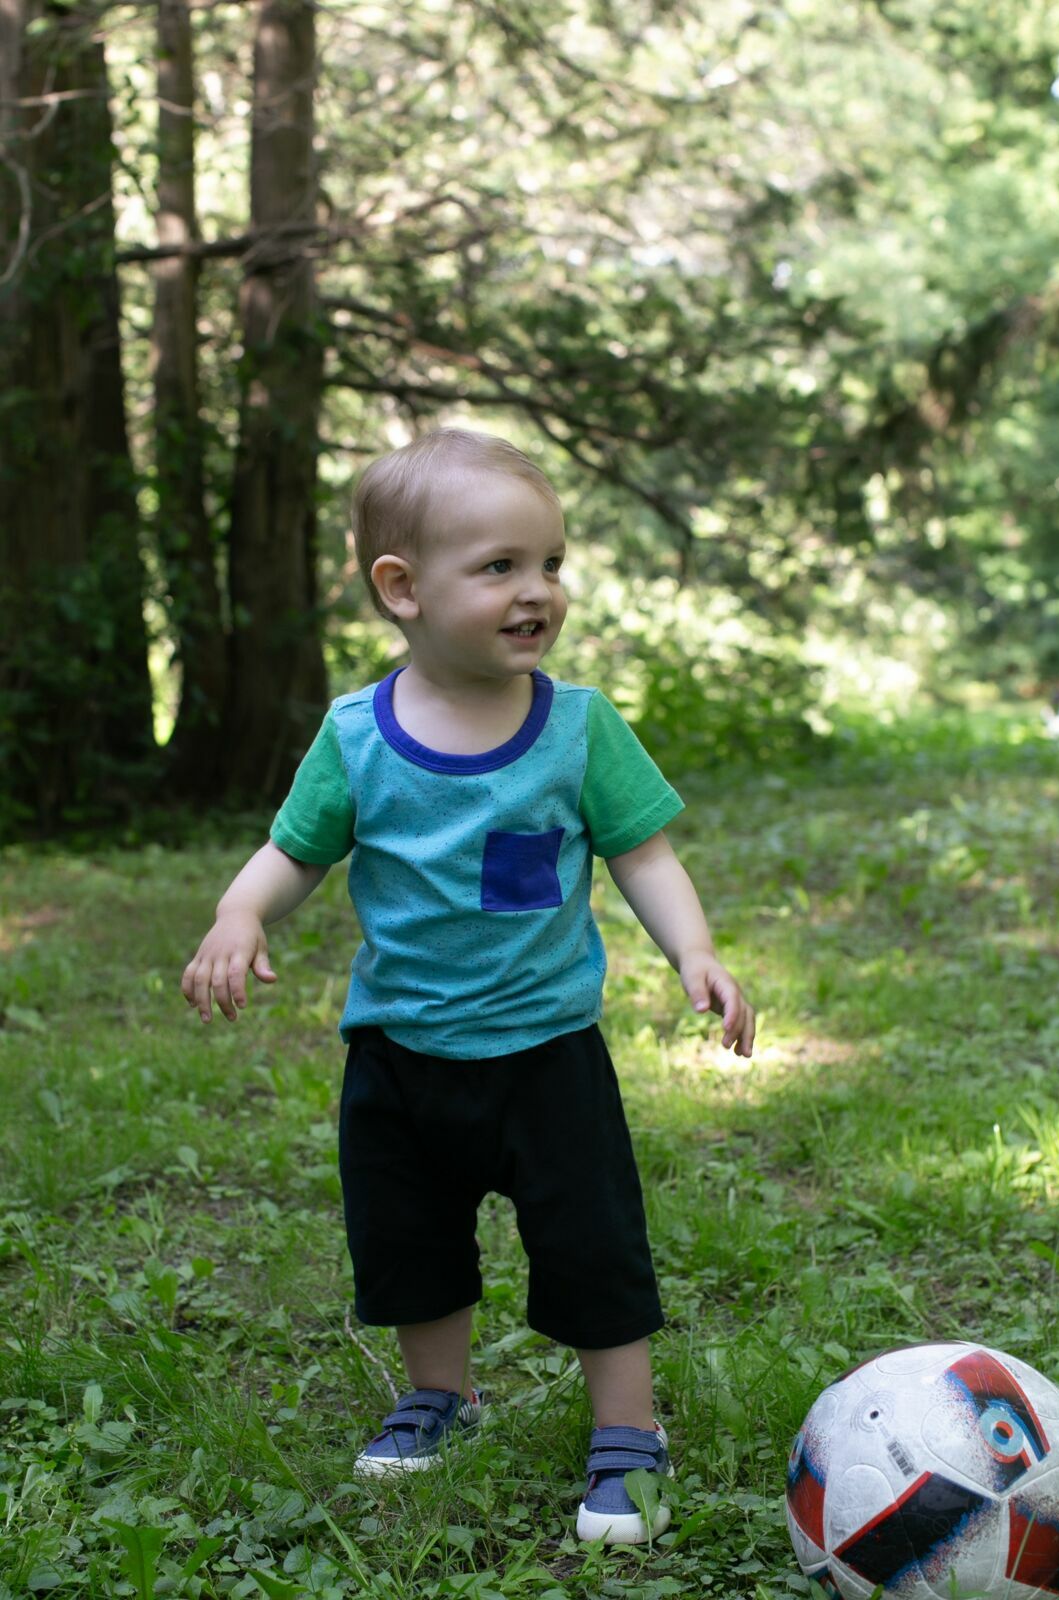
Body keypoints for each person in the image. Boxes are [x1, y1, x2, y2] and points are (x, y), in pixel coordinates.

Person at [181, 429, 756, 1544]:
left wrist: (693, 949)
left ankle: (627, 1428)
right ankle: (439, 1397)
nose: (536, 590)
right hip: (400, 1053)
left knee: (592, 1243)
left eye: (550, 564)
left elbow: (642, 854)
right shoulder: (357, 736)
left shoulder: (577, 727)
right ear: (401, 588)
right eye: (499, 566)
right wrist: (240, 912)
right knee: (409, 1244)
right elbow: (295, 849)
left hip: (547, 1055)